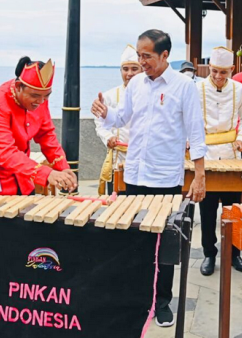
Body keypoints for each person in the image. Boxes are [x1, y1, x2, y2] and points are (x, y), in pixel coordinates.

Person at [92, 29, 206, 327]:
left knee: (164, 242)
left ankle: (163, 301)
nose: (141, 62)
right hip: (134, 174)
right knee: (134, 237)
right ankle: (138, 296)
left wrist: (200, 175)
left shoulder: (184, 87)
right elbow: (121, 119)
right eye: (139, 56)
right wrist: (105, 113)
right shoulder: (136, 85)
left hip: (165, 178)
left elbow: (196, 132)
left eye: (147, 56)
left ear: (165, 55)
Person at [0, 57, 76, 195]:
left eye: (46, 96)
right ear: (18, 87)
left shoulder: (39, 97)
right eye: (35, 96)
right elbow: (6, 153)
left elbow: (46, 135)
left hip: (22, 174)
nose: (41, 101)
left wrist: (63, 168)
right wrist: (47, 174)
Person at [197, 46, 242, 276]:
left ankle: (234, 253)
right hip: (207, 155)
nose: (219, 77)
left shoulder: (240, 90)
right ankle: (209, 254)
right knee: (208, 209)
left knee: (233, 209)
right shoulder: (197, 88)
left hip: (232, 154)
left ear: (232, 69)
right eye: (214, 71)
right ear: (209, 68)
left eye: (224, 72)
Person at [95, 45, 141, 195]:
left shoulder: (150, 94)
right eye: (125, 69)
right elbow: (100, 124)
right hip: (118, 159)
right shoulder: (109, 95)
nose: (129, 73)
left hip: (143, 160)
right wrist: (108, 138)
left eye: (134, 69)